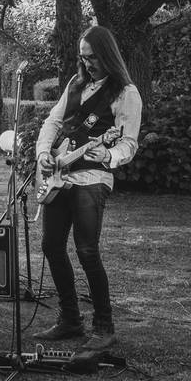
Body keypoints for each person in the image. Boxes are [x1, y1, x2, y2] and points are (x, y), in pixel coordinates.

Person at [33, 25, 142, 351]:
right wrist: (43, 152)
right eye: (83, 57)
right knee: (52, 246)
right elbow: (53, 120)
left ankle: (104, 325)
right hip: (60, 176)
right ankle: (70, 319)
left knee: (86, 250)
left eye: (93, 57)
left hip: (93, 179)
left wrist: (108, 153)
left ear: (107, 55)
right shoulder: (76, 83)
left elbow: (129, 144)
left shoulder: (126, 93)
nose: (87, 63)